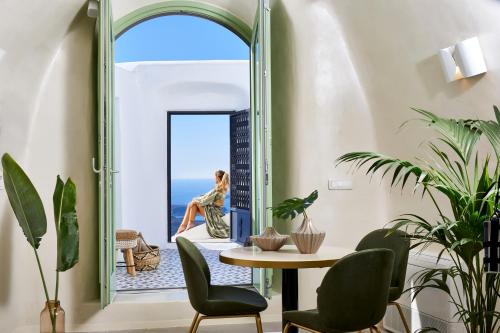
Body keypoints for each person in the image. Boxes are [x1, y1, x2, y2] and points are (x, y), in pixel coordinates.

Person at [175, 170, 230, 238]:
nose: (214, 178)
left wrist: (195, 200)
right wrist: (196, 200)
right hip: (213, 211)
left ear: (218, 178)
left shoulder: (218, 189)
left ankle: (185, 225)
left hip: (214, 213)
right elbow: (206, 197)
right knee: (192, 204)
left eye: (215, 177)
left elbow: (205, 200)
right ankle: (187, 225)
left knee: (192, 204)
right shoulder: (221, 188)